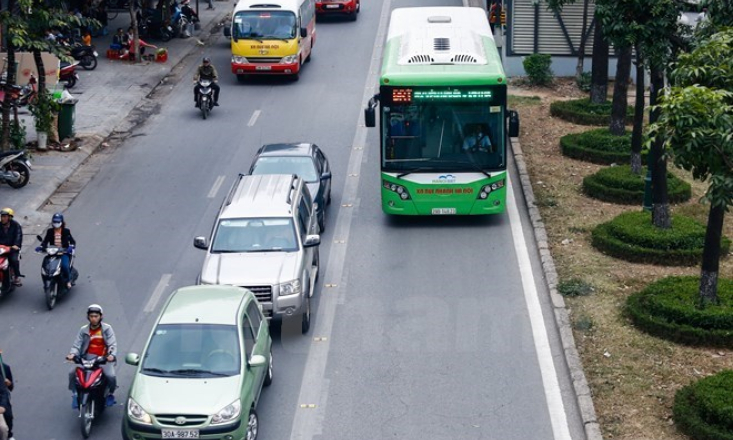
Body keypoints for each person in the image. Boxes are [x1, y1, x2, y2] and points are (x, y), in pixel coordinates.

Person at [66, 304, 117, 409]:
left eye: (96, 316)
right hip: (86, 358)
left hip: (103, 359)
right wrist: (72, 354)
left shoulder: (107, 329)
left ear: (101, 316)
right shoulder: (83, 330)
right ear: (88, 317)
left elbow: (112, 344)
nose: (93, 319)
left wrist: (111, 355)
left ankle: (110, 394)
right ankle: (75, 394)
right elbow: (77, 345)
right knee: (72, 373)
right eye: (91, 316)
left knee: (111, 376)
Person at [40, 213, 76, 289]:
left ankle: (68, 281)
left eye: (58, 222)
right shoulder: (50, 231)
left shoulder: (66, 231)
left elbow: (72, 242)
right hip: (52, 252)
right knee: (46, 267)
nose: (56, 224)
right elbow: (45, 241)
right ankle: (46, 281)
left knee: (65, 266)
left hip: (63, 252)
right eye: (54, 222)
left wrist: (70, 247)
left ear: (62, 222)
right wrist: (42, 246)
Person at [0, 208, 23, 287]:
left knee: (14, 260)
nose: (2, 218)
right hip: (1, 248)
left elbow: (18, 236)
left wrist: (16, 245)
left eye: (4, 216)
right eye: (2, 216)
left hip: (11, 248)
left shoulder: (16, 225)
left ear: (9, 217)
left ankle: (16, 277)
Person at [0, 351, 14, 440]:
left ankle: (9, 435)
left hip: (2, 401)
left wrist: (9, 384)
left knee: (7, 418)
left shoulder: (5, 368)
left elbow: (8, 389)